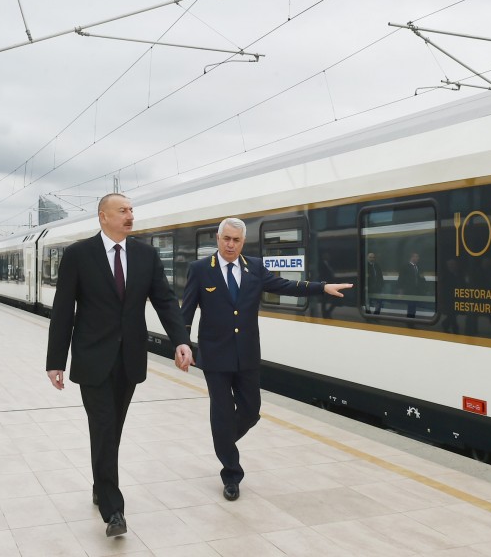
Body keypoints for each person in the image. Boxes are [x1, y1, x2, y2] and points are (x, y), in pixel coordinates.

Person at [45, 193, 194, 538]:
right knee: (103, 427)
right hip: (92, 359)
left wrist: (181, 340)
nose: (130, 216)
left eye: (131, 210)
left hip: (129, 360)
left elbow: (165, 300)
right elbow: (63, 309)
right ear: (103, 217)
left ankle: (101, 483)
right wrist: (56, 361)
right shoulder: (78, 255)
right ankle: (114, 511)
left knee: (113, 429)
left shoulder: (146, 254)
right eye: (123, 211)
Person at [176, 217, 351, 502]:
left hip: (246, 354)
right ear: (218, 239)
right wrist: (182, 343)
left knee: (251, 410)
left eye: (236, 240)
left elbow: (284, 286)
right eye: (226, 239)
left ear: (243, 242)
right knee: (221, 412)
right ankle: (231, 474)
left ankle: (222, 440)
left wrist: (321, 287)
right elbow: (187, 310)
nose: (231, 244)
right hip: (214, 356)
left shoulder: (254, 267)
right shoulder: (200, 270)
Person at [397, 251, 425, 318]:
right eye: (416, 257)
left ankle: (412, 320)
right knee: (411, 306)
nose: (418, 258)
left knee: (414, 306)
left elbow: (421, 278)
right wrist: (401, 291)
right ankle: (410, 322)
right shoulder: (405, 266)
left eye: (418, 257)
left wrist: (424, 287)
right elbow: (401, 279)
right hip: (409, 291)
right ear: (412, 257)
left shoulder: (418, 267)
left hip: (417, 291)